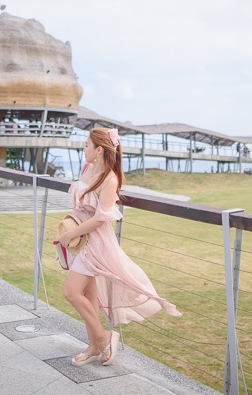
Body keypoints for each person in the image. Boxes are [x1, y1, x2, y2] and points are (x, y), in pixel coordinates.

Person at [56, 128, 181, 367]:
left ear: (99, 149)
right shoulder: (87, 169)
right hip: (79, 241)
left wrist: (71, 233)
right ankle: (93, 346)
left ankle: (104, 337)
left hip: (95, 242)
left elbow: (102, 218)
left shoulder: (110, 179)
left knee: (71, 292)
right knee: (89, 295)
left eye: (86, 145)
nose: (83, 149)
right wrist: (69, 231)